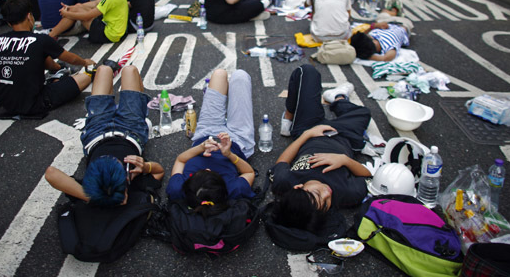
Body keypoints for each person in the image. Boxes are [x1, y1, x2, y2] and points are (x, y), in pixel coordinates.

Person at [45, 64, 164, 207]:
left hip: (96, 132)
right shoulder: (133, 179)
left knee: (103, 70)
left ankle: (133, 106)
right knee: (130, 70)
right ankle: (141, 110)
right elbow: (159, 172)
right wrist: (145, 167)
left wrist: (94, 197)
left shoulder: (97, 186)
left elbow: (51, 174)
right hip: (131, 131)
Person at [272, 64, 372, 232]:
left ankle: (289, 116)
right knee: (363, 113)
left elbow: (281, 162)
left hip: (309, 128)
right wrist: (344, 160)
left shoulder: (286, 183)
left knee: (307, 71)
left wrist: (307, 135)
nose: (327, 193)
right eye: (326, 204)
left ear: (299, 188)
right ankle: (339, 99)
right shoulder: (346, 194)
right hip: (344, 136)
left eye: (318, 194)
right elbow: (368, 175)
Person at [0, 0, 95, 117]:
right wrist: (85, 62)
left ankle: (56, 78)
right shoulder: (40, 40)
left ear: (8, 22)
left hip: (6, 101)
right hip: (35, 102)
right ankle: (56, 80)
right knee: (84, 78)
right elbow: (72, 59)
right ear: (29, 16)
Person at [166, 69, 256, 211]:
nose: (207, 168)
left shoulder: (178, 189)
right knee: (240, 76)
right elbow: (249, 173)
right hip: (238, 140)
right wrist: (229, 155)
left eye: (202, 172)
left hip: (205, 134)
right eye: (211, 172)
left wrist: (201, 147)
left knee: (219, 74)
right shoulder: (233, 189)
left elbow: (180, 160)